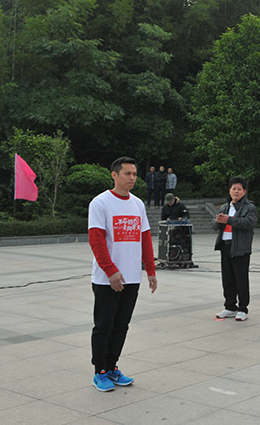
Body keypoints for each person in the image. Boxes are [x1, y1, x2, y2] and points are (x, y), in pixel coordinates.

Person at [88, 156, 157, 392]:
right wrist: (111, 271)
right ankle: (100, 371)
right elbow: (96, 241)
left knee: (121, 325)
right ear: (114, 175)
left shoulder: (138, 204)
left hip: (131, 278)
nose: (132, 178)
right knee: (104, 325)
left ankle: (112, 366)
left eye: (135, 174)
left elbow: (145, 238)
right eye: (127, 173)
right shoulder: (100, 203)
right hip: (107, 279)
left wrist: (150, 270)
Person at [213, 176, 257, 321]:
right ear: (230, 190)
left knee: (241, 279)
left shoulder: (249, 207)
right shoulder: (225, 207)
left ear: (244, 191)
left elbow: (249, 223)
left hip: (240, 248)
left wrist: (229, 220)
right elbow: (214, 225)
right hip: (225, 246)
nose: (236, 192)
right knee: (227, 278)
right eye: (234, 189)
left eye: (239, 189)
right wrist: (219, 221)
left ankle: (243, 309)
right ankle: (230, 306)